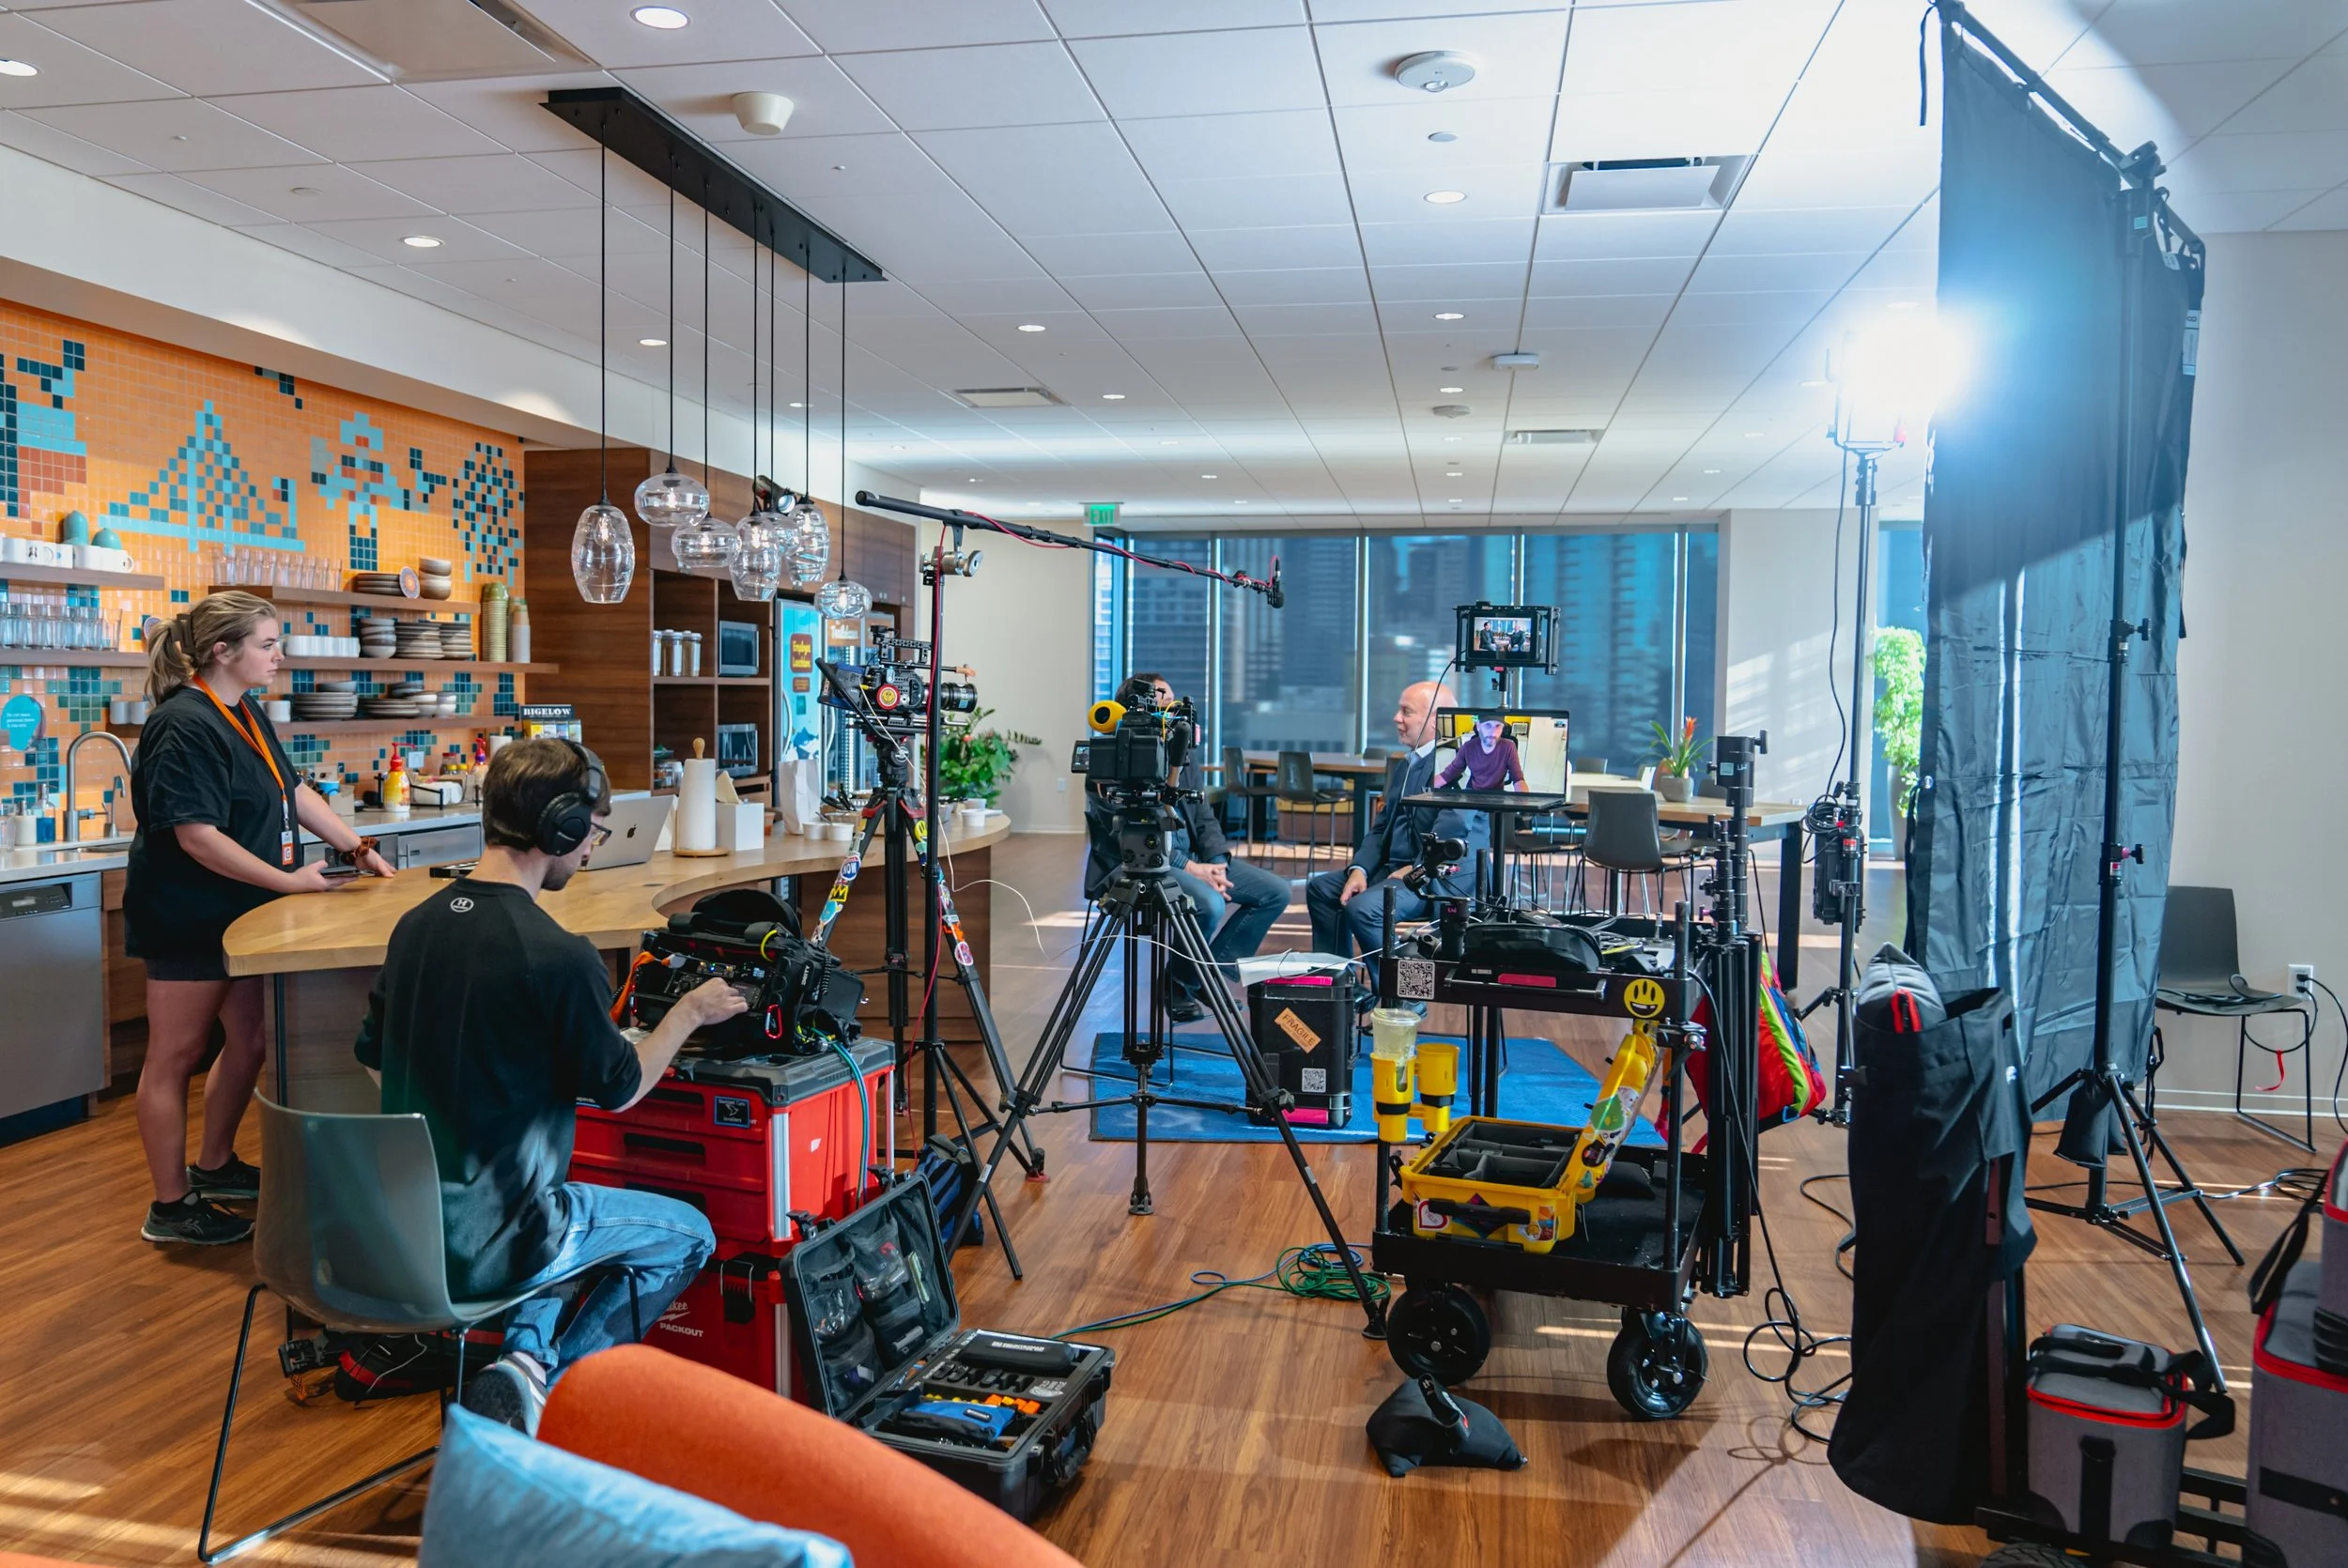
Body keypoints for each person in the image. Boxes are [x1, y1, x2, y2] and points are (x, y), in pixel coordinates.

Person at [355, 737, 745, 1435]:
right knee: (689, 1235)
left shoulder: (415, 928)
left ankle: (522, 1363)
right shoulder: (560, 957)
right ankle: (550, 1396)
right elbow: (621, 1088)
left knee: (562, 1199)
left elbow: (374, 1061)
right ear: (559, 829)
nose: (592, 846)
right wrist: (689, 1012)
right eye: (592, 830)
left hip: (403, 1231)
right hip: (498, 1244)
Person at [127, 590, 393, 1247]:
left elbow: (291, 789)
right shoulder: (183, 723)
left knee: (249, 1042)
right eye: (268, 645)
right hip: (189, 915)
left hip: (247, 913)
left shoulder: (243, 710)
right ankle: (170, 1207)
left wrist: (356, 846)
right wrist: (290, 882)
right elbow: (196, 837)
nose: (280, 656)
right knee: (174, 1057)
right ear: (223, 650)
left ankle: (214, 1165)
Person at [1084, 672, 1290, 1022]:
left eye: (1172, 697)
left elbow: (1204, 815)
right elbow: (1127, 832)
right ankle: (1182, 984)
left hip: (1193, 860)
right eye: (1160, 697)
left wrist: (1217, 863)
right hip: (1139, 863)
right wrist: (1192, 868)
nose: (1170, 705)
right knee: (1208, 904)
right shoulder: (1109, 757)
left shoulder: (1182, 752)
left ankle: (1201, 977)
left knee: (1275, 892)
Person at [1305, 681, 1487, 970]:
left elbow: (1452, 827)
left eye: (1406, 711)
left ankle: (1400, 990)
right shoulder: (1407, 764)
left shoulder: (1461, 763)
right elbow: (1381, 828)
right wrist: (1359, 870)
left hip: (1435, 876)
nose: (1396, 718)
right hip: (1395, 869)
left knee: (1364, 909)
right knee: (1322, 890)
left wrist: (1416, 869)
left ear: (1435, 720)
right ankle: (1342, 984)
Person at [1435, 716, 1526, 792]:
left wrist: (1524, 802)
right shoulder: (1468, 747)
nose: (1493, 732)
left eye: (1498, 726)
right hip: (1472, 793)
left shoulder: (1509, 746)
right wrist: (1428, 788)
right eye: (1488, 725)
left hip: (1496, 795)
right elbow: (1448, 774)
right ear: (1478, 726)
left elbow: (1518, 778)